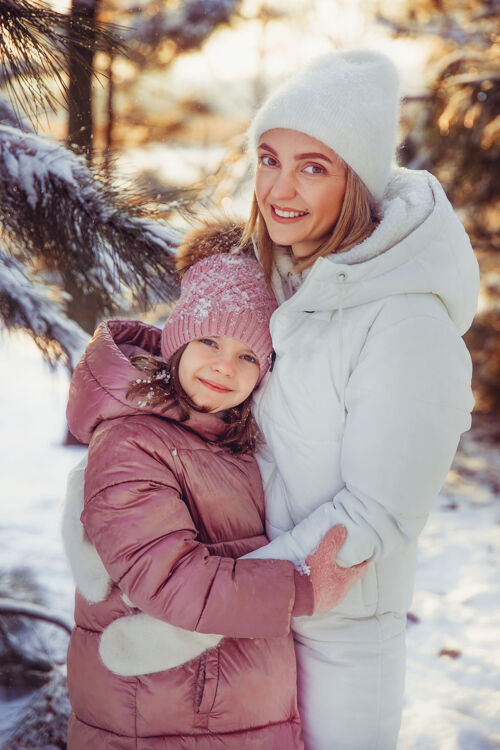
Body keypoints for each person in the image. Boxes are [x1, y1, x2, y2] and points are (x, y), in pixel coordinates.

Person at [224, 49, 477, 748]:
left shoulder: (407, 322)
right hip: (249, 618)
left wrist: (226, 596)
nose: (280, 186)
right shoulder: (273, 283)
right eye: (270, 157)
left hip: (338, 637)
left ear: (357, 182)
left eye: (314, 166)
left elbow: (376, 511)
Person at [62, 251, 366, 749]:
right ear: (179, 340)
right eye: (210, 341)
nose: (225, 367)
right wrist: (303, 589)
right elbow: (169, 580)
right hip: (167, 719)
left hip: (223, 712)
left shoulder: (225, 439)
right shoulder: (132, 443)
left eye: (248, 356)